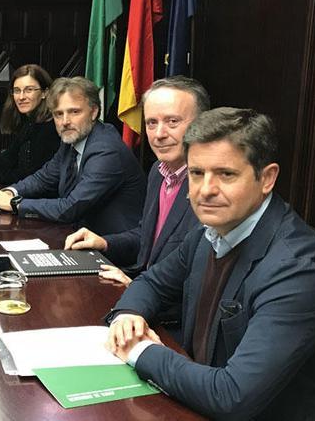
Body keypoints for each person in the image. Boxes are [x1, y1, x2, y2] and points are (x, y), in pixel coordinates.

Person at [105, 108, 315, 419]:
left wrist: (139, 351)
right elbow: (152, 282)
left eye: (226, 174)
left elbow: (232, 396)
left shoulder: (297, 269)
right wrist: (127, 315)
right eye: (196, 173)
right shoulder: (207, 232)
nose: (206, 190)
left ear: (267, 178)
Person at [64, 76, 209, 277]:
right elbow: (147, 236)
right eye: (151, 123)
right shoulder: (159, 171)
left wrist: (134, 288)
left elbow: (198, 278)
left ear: (201, 124)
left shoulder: (209, 186)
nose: (159, 134)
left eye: (172, 121)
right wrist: (105, 242)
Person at [0, 77, 145, 235]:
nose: (65, 121)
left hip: (113, 248)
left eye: (74, 112)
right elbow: (44, 177)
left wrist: (15, 203)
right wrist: (12, 192)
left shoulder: (106, 150)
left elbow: (70, 207)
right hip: (79, 235)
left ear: (94, 112)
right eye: (58, 114)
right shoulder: (71, 140)